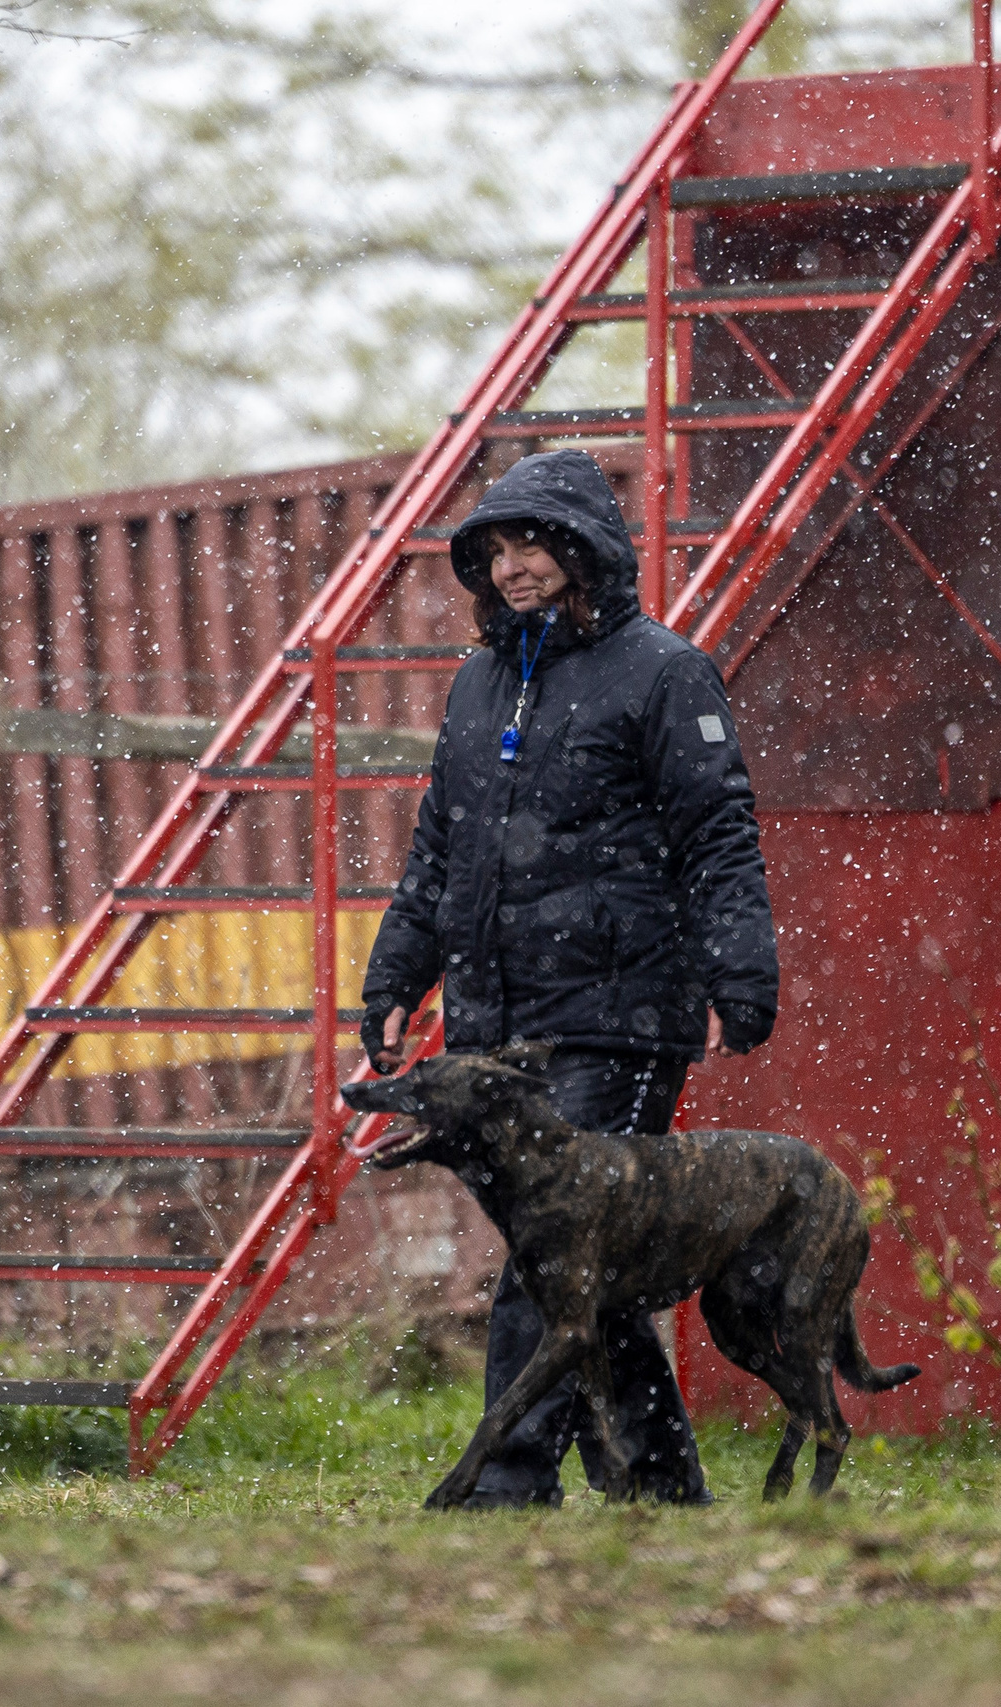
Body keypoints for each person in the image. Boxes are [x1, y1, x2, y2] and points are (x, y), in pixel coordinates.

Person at [359, 447, 778, 1508]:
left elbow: (716, 835)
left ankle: (503, 1491)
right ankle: (658, 1486)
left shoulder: (665, 672)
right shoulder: (477, 683)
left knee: (554, 1259)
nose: (510, 567)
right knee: (587, 1270)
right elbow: (437, 847)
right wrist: (394, 975)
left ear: (585, 548)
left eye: (531, 543)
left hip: (620, 1020)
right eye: (493, 550)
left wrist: (738, 974)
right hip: (498, 1026)